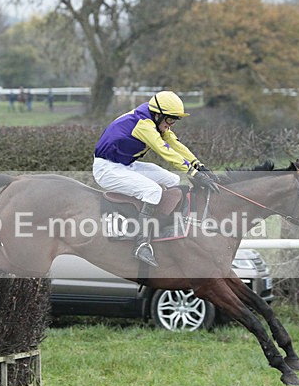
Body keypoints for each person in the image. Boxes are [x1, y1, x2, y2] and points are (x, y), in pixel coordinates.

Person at [93, 90, 219, 267]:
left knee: (172, 180)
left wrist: (200, 166)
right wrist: (193, 173)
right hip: (107, 169)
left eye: (174, 120)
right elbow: (164, 151)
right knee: (153, 191)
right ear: (158, 115)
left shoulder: (154, 118)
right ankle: (141, 243)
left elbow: (175, 144)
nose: (171, 124)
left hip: (126, 165)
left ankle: (163, 225)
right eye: (170, 120)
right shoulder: (144, 125)